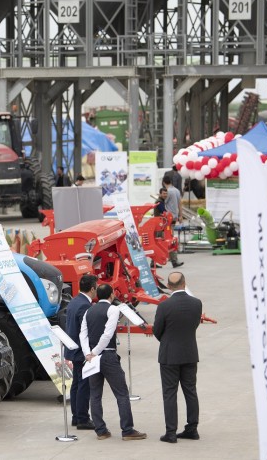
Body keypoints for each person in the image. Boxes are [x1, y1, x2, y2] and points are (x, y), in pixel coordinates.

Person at [79, 284, 147, 441]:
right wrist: (95, 352)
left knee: (95, 395)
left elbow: (83, 334)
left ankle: (101, 430)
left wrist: (88, 354)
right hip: (107, 356)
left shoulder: (89, 310)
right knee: (122, 393)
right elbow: (107, 334)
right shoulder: (113, 310)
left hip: (92, 358)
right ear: (111, 295)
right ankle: (127, 430)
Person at [152, 272, 202, 444]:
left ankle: (171, 432)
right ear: (184, 283)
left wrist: (167, 341)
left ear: (169, 286)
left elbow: (157, 330)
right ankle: (192, 429)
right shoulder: (197, 303)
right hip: (189, 352)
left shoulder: (164, 306)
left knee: (169, 394)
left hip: (169, 355)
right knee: (190, 391)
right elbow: (195, 324)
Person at [64, 274, 97, 430]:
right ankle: (83, 418)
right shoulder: (85, 306)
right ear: (92, 288)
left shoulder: (74, 301)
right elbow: (86, 330)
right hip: (81, 351)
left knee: (76, 384)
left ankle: (76, 417)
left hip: (73, 349)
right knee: (84, 386)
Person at [162, 175, 183, 268]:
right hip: (174, 217)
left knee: (165, 238)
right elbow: (180, 203)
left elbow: (163, 203)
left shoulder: (167, 192)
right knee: (170, 237)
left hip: (167, 218)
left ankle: (170, 258)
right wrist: (180, 215)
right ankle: (173, 259)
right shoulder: (176, 190)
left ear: (163, 182)